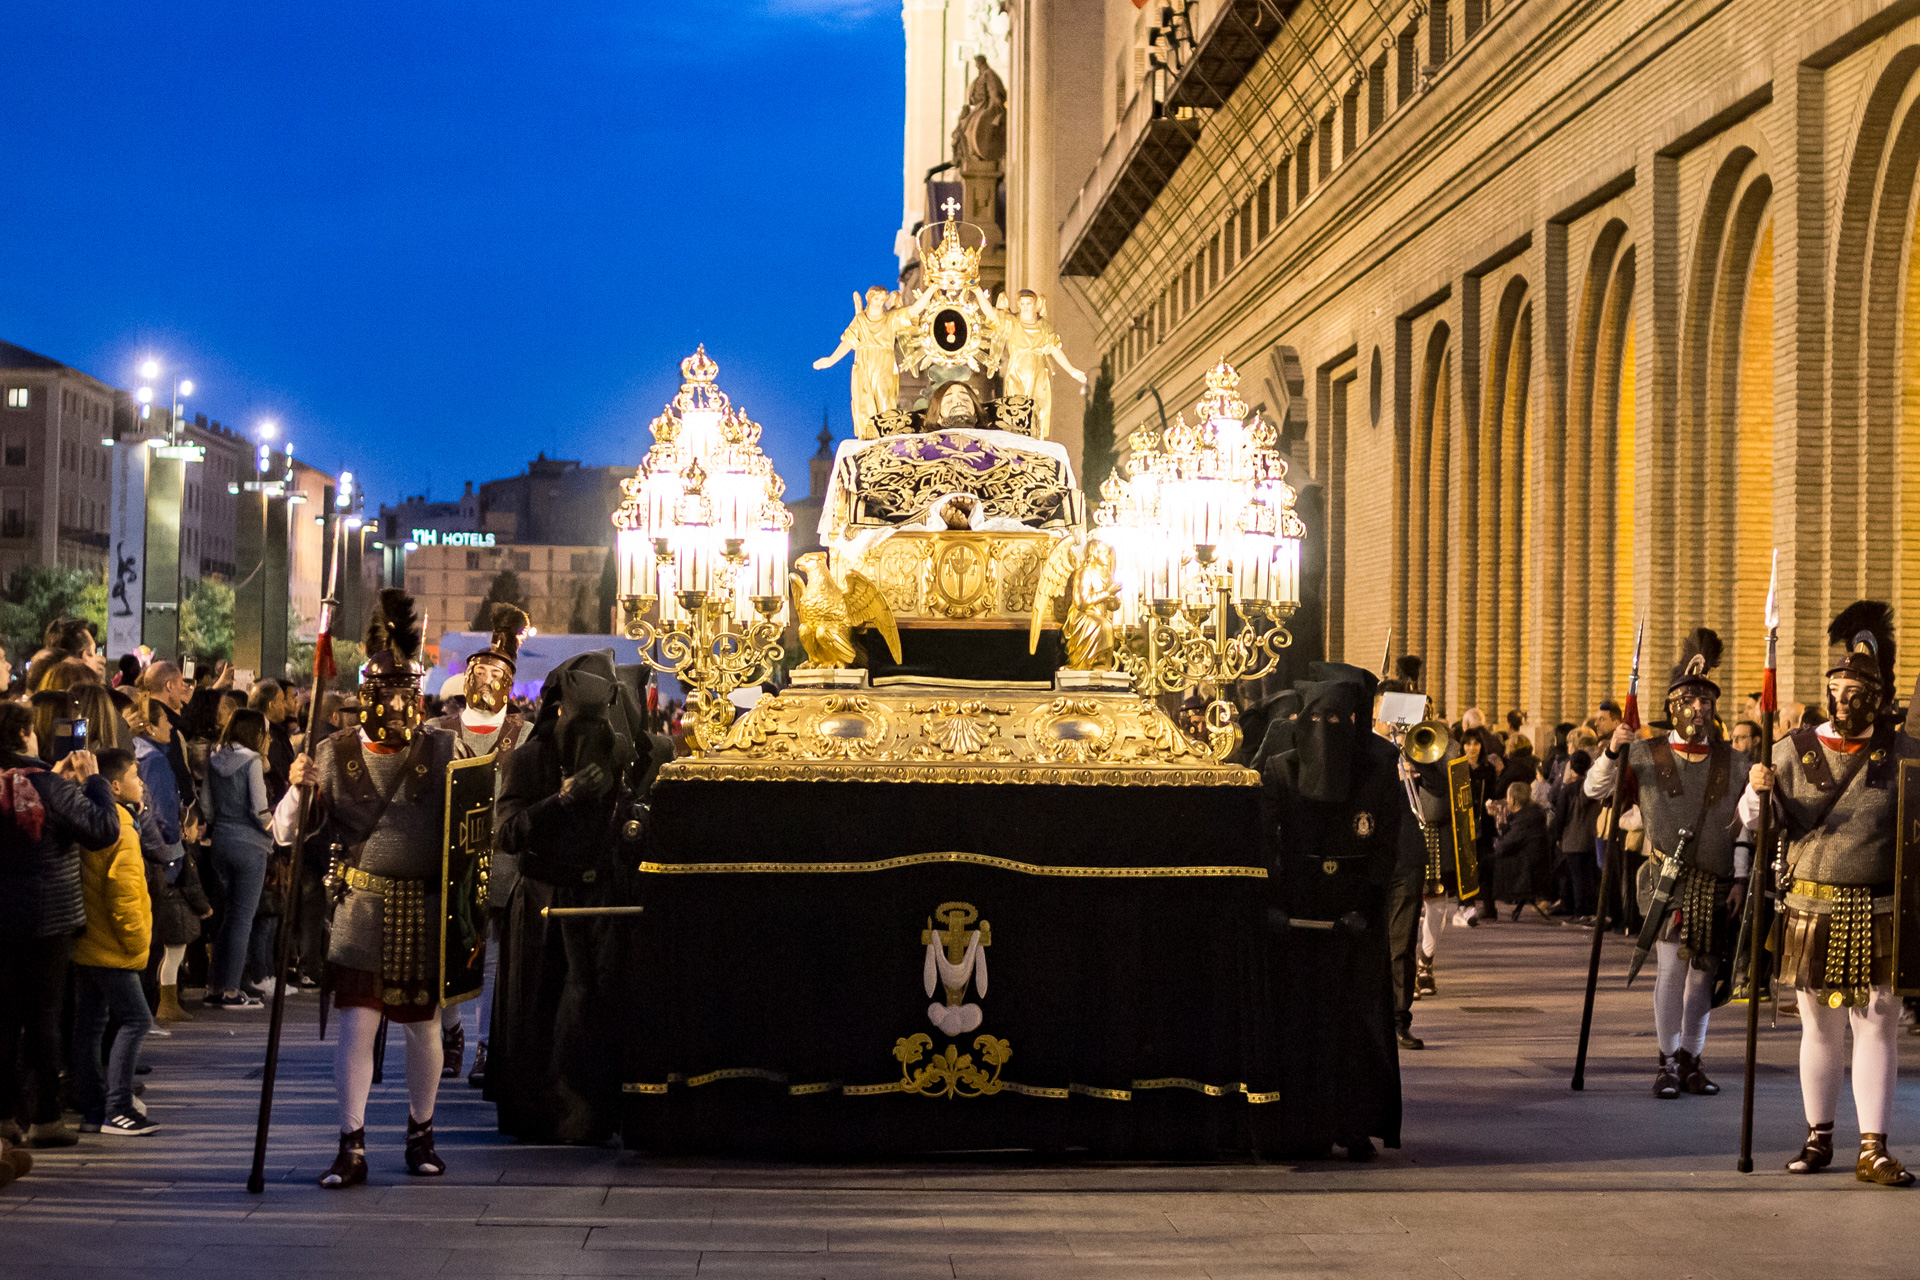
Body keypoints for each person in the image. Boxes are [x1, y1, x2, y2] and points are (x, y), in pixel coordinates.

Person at [277, 589, 456, 1186]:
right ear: (366, 698)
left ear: (421, 697)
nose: (400, 708)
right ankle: (350, 1144)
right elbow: (286, 834)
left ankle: (420, 1132)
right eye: (387, 696)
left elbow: (475, 827)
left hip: (426, 906)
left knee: (423, 1025)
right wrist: (297, 787)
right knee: (358, 1024)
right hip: (360, 906)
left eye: (409, 696)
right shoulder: (331, 752)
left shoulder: (447, 752)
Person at [1741, 601, 1919, 1185]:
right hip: (1812, 903)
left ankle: (1874, 1147)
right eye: (1838, 691)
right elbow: (1753, 820)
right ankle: (1819, 1136)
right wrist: (1757, 790)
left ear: (1880, 696)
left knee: (1878, 1022)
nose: (1847, 702)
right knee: (1819, 1026)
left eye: (1859, 692)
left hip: (1881, 904)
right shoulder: (1794, 748)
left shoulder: (1906, 754)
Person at [489, 650, 663, 1143]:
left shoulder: (624, 758)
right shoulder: (528, 760)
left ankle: (597, 1108)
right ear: (559, 711)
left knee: (597, 1005)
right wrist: (558, 800)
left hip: (601, 900)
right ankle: (545, 1109)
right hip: (544, 902)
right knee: (543, 1008)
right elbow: (507, 835)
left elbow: (634, 825)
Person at [1586, 629, 1751, 1099]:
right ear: (1672, 706)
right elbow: (1594, 791)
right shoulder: (1643, 753)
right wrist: (1612, 751)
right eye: (1690, 700)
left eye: (1706, 700)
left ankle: (1692, 1059)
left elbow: (1744, 826)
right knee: (1671, 971)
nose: (1699, 708)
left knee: (1703, 974)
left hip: (1718, 882)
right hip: (1666, 881)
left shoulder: (1736, 761)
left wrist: (1741, 876)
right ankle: (1666, 1062)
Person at [1262, 662, 1403, 1159]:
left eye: (1340, 721)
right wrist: (1273, 905)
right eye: (1319, 721)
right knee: (1298, 1022)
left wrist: (1366, 905)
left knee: (1354, 1025)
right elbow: (1265, 843)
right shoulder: (1281, 768)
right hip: (1296, 916)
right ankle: (1299, 1124)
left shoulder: (1379, 768)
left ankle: (1354, 1121)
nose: (1328, 732)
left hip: (1353, 918)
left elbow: (1386, 845)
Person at [0, 700, 120, 1148]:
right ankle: (47, 1116)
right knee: (45, 1016)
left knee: (5, 1019)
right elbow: (103, 829)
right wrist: (93, 781)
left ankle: (5, 1118)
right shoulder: (48, 786)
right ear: (22, 736)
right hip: (48, 919)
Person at [430, 604, 532, 1085]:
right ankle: (450, 1035)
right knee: (442, 953)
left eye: (497, 671)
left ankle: (486, 1044)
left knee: (492, 959)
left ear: (510, 682)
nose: (486, 678)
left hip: (502, 861)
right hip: (445, 857)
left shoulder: (526, 737)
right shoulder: (436, 734)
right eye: (479, 669)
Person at [71, 748, 158, 1136]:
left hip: (87, 941)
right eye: (136, 776)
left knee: (89, 1024)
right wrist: (137, 941)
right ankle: (118, 1108)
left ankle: (92, 1106)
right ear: (116, 786)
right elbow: (122, 891)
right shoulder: (120, 825)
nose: (142, 782)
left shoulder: (84, 818)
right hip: (113, 946)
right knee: (137, 1020)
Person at [199, 708, 273, 1009]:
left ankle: (214, 985)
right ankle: (231, 989)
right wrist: (275, 830)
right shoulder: (252, 761)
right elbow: (259, 808)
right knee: (243, 917)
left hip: (221, 842)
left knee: (228, 916)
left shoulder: (215, 759)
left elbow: (206, 806)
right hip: (250, 845)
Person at [1492, 781, 1553, 921]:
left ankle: (1488, 908)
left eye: (1508, 797)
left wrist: (1499, 840)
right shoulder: (1531, 813)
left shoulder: (1526, 819)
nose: (1506, 801)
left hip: (1527, 870)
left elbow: (1505, 846)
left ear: (1513, 799)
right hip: (1532, 864)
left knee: (1486, 863)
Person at [1552, 750, 1601, 920]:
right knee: (1588, 876)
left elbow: (1561, 815)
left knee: (1578, 877)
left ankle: (1581, 911)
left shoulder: (1568, 789)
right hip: (1591, 837)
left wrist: (1556, 836)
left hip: (1572, 839)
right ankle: (1589, 909)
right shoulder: (1592, 787)